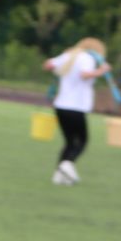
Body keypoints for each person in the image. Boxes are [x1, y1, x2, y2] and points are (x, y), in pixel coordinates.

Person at [43, 36, 109, 186]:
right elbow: (84, 75)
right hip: (76, 107)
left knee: (69, 142)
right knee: (82, 141)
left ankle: (59, 176)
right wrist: (101, 71)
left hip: (60, 106)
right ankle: (67, 164)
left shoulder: (69, 55)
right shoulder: (87, 58)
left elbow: (48, 65)